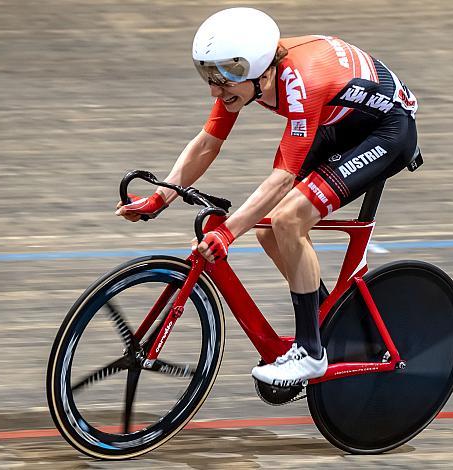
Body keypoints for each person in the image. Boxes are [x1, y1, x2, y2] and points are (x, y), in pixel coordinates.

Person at [116, 7, 418, 387]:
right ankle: (330, 320)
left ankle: (310, 354)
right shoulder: (245, 78)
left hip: (387, 131)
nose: (214, 88)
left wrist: (226, 233)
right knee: (268, 230)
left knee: (287, 219)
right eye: (208, 75)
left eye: (222, 77)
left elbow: (281, 179)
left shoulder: (300, 82)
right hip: (340, 121)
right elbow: (208, 142)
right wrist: (161, 197)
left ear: (259, 68)